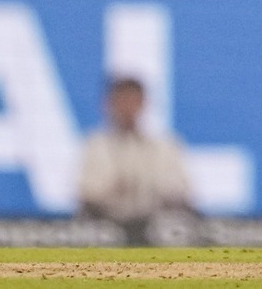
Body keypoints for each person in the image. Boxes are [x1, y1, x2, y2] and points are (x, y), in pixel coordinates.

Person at [77, 76, 194, 229]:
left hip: (155, 226)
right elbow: (87, 193)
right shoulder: (95, 145)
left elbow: (179, 190)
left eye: (133, 100)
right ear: (109, 104)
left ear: (143, 103)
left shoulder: (163, 146)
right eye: (122, 100)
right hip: (107, 225)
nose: (127, 107)